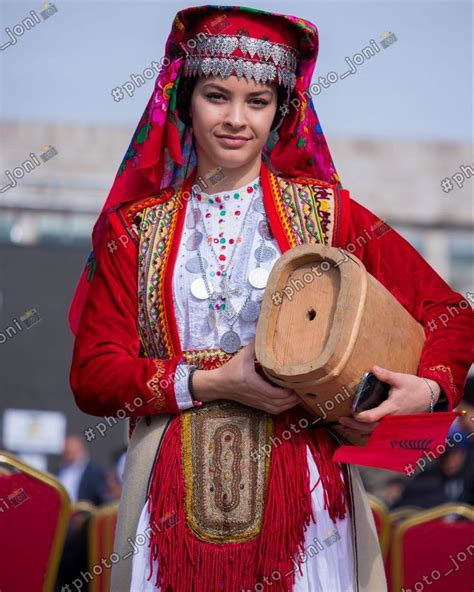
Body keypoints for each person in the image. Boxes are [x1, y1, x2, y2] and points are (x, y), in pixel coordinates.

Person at [68, 5, 473, 591]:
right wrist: (209, 382)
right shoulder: (134, 230)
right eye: (217, 96)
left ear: (279, 111)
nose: (236, 119)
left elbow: (452, 315)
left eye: (257, 101)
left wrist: (430, 387)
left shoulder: (328, 215)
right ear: (186, 101)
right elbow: (92, 374)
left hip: (307, 502)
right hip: (167, 499)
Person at [56, 434, 106, 506]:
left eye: (71, 453)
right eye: (66, 453)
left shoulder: (95, 472)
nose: (68, 457)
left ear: (81, 451)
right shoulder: (59, 470)